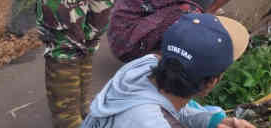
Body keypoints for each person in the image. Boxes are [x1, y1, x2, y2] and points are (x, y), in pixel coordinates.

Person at [82, 13, 254, 128]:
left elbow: (177, 109)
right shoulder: (149, 122)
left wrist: (213, 121)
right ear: (211, 82)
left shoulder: (144, 66)